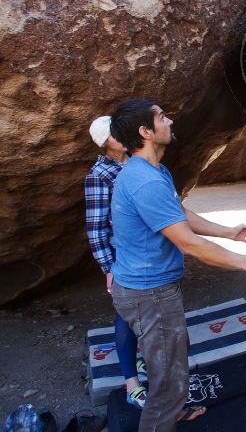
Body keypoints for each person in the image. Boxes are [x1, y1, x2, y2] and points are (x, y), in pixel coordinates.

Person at [109, 98, 246, 432]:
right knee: (168, 380)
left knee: (172, 361)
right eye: (162, 117)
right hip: (148, 293)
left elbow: (177, 213)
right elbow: (187, 242)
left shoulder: (152, 171)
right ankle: (163, 419)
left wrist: (226, 231)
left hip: (147, 288)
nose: (170, 120)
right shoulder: (146, 181)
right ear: (145, 132)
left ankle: (174, 412)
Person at [84, 116, 147, 409]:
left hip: (146, 251)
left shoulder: (135, 161)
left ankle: (142, 358)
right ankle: (131, 384)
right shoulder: (99, 175)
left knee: (147, 311)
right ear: (106, 143)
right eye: (115, 133)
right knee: (125, 314)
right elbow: (97, 227)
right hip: (122, 257)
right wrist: (108, 268)